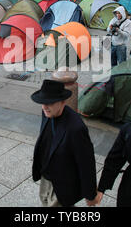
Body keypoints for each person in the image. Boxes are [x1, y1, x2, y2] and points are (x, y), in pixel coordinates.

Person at [31, 79, 97, 207]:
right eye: (42, 102)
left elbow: (86, 163)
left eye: (49, 102)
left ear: (63, 102)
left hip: (63, 182)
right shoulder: (47, 112)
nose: (44, 107)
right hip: (46, 177)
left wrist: (90, 194)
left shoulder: (76, 128)